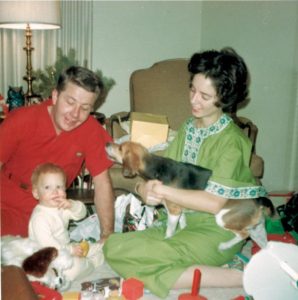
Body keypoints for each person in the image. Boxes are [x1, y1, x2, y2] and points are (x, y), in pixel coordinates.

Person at [103, 47, 268, 298]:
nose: (193, 100)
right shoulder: (189, 127)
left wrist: (163, 190)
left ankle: (238, 276)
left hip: (215, 229)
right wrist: (142, 188)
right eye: (192, 89)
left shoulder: (233, 142)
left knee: (141, 257)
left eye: (204, 95)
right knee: (113, 247)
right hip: (179, 222)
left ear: (224, 97)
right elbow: (162, 171)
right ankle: (195, 271)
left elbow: (215, 203)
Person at [0, 66, 114, 241]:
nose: (75, 114)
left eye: (85, 108)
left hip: (50, 211)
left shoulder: (91, 130)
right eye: (70, 102)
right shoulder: (21, 119)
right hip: (6, 204)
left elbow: (102, 182)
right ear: (55, 96)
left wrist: (107, 234)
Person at [29, 162, 104, 281]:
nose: (55, 192)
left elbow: (82, 213)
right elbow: (48, 245)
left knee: (98, 247)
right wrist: (70, 251)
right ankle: (91, 263)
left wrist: (72, 205)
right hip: (47, 259)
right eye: (47, 187)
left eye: (59, 187)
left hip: (66, 248)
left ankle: (97, 251)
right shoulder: (39, 217)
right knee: (71, 271)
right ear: (36, 193)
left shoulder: (61, 207)